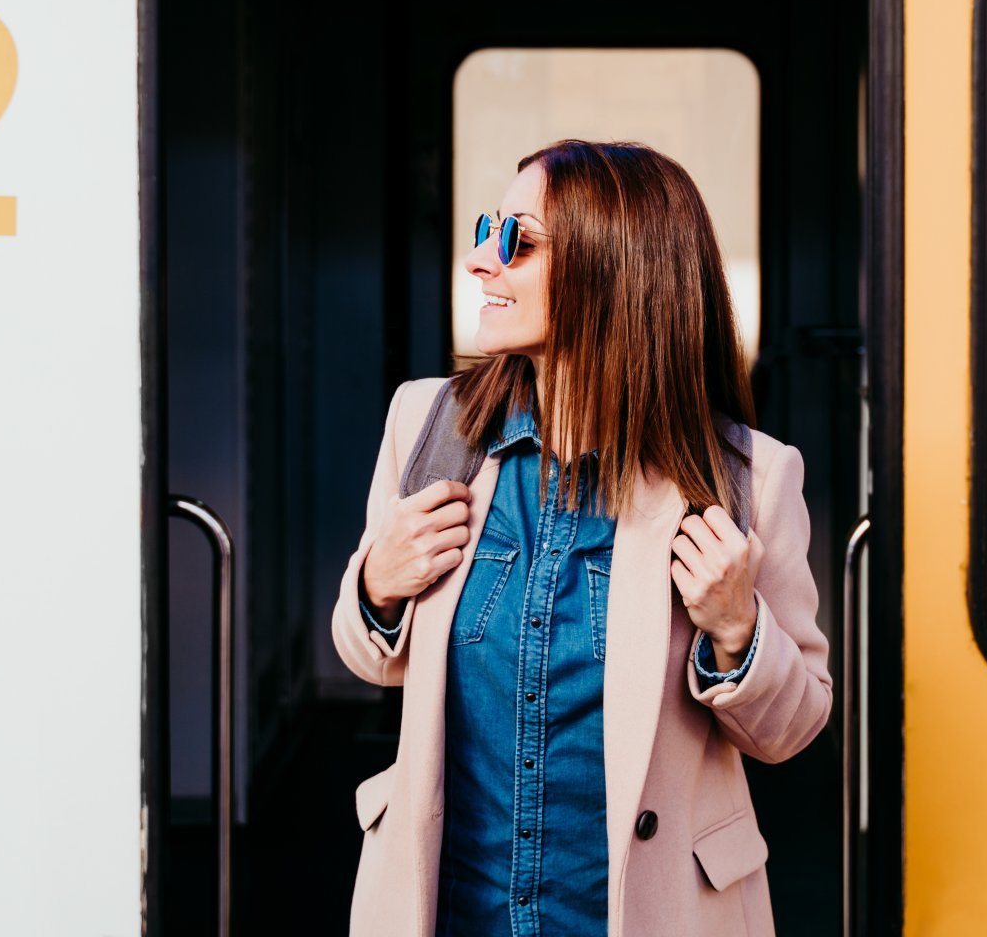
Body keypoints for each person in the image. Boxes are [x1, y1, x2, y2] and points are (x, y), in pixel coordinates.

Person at [331, 139, 832, 937]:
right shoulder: (427, 425)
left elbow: (791, 730)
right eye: (485, 229)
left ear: (614, 268)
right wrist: (375, 587)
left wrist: (739, 631)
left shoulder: (749, 477)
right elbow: (373, 658)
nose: (479, 261)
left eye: (515, 241)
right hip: (452, 910)